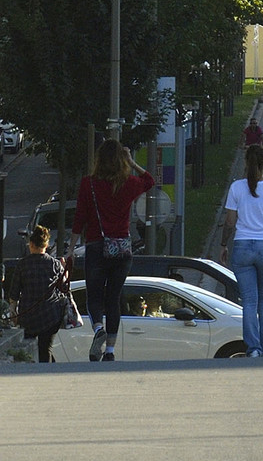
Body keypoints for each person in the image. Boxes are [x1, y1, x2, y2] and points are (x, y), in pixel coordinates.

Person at [68, 138, 156, 364]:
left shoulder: (88, 184)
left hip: (97, 247)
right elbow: (150, 181)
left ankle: (98, 328)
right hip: (122, 250)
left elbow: (79, 218)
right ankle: (109, 351)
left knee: (94, 295)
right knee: (113, 299)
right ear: (120, 160)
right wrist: (132, 161)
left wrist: (70, 249)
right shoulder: (129, 183)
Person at [219, 142, 263, 357]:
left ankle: (253, 348)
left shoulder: (236, 188)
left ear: (246, 162)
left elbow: (230, 221)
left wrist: (223, 244)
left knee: (248, 301)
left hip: (242, 246)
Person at [8, 224, 71, 363]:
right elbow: (64, 288)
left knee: (29, 347)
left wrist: (13, 311)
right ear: (46, 244)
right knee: (45, 347)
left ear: (31, 244)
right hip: (50, 315)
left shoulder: (22, 264)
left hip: (28, 315)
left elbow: (14, 292)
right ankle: (47, 372)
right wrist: (65, 271)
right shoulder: (54, 264)